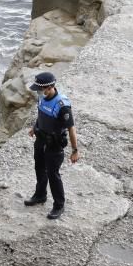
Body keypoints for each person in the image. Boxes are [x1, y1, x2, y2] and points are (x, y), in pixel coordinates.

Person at [25, 71, 80, 220]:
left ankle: (59, 205)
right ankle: (40, 195)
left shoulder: (62, 105)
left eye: (40, 89)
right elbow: (41, 114)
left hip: (54, 145)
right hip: (40, 140)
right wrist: (34, 127)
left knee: (53, 174)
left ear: (49, 87)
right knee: (39, 168)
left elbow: (71, 129)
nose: (38, 91)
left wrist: (75, 150)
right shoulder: (42, 97)